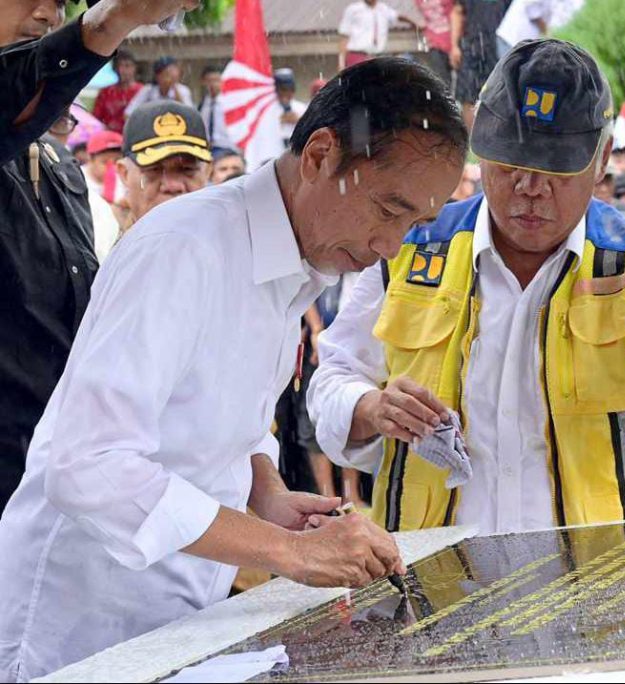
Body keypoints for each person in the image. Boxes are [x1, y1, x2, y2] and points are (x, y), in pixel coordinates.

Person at [0, 57, 465, 681]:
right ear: (321, 155)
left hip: (177, 620)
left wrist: (266, 493)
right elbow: (87, 467)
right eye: (388, 210)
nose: (391, 246)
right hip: (78, 631)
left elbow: (230, 425)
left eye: (415, 225)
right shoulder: (183, 249)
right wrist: (291, 552)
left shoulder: (294, 261)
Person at [308, 39, 625, 536]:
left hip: (601, 573)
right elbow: (332, 380)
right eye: (510, 165)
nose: (529, 188)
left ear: (602, 159)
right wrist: (372, 408)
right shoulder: (410, 248)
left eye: (554, 170)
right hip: (434, 570)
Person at [0, 0, 200, 515]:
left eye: (60, 2)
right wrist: (113, 20)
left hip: (53, 494)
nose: (48, 13)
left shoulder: (61, 168)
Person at [116, 101, 213, 231]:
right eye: (154, 170)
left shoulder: (233, 237)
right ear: (124, 174)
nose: (173, 186)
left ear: (207, 172)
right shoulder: (101, 238)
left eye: (187, 170)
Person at [450, 0, 510, 129]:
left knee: (499, 96)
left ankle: (494, 135)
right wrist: (454, 45)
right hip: (472, 44)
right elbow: (457, 12)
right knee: (469, 95)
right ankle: (472, 137)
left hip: (499, 46)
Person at [244, 67, 309, 171]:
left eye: (290, 90)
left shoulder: (301, 108)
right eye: (283, 90)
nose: (286, 94)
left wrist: (300, 121)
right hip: (270, 161)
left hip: (295, 161)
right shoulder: (265, 110)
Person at [338, 0, 417, 70]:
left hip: (376, 58)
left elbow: (398, 16)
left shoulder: (384, 9)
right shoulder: (353, 9)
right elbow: (344, 37)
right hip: (357, 57)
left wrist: (414, 23)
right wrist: (341, 64)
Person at [83, 130, 123, 261]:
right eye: (105, 162)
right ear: (90, 159)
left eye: (116, 161)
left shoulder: (124, 179)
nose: (112, 167)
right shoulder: (78, 179)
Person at [124, 55, 194, 116]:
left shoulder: (182, 90)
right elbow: (128, 113)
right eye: (166, 74)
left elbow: (189, 113)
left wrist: (175, 89)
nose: (168, 78)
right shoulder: (148, 90)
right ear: (157, 76)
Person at [92, 48, 142, 133]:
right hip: (108, 137)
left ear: (134, 68)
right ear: (114, 68)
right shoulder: (106, 92)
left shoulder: (142, 92)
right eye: (119, 66)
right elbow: (95, 119)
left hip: (133, 136)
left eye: (127, 66)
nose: (122, 70)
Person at [416, 0, 455, 88]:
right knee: (441, 79)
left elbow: (457, 12)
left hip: (454, 40)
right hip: (434, 44)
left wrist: (455, 45)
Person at [198, 64, 234, 151]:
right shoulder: (202, 105)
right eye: (209, 81)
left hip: (226, 146)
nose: (212, 84)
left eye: (216, 80)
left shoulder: (230, 103)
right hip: (207, 148)